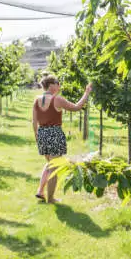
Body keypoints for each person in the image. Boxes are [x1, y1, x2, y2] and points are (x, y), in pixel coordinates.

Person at [32, 75, 92, 204]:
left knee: (49, 164)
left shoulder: (37, 100)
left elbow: (34, 121)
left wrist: (37, 137)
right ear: (51, 85)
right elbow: (76, 107)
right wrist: (86, 93)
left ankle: (40, 191)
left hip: (42, 133)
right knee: (54, 167)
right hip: (54, 133)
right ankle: (51, 199)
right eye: (57, 83)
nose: (59, 85)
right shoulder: (57, 99)